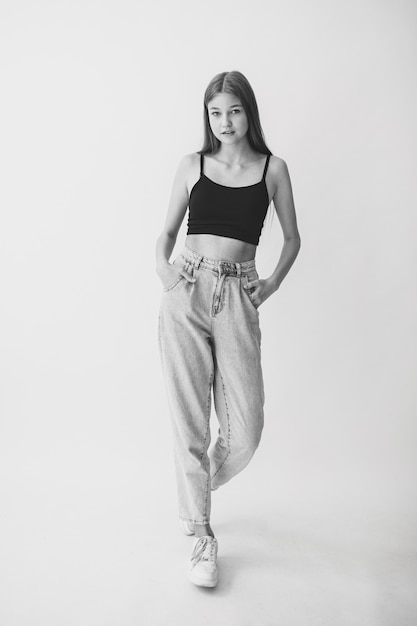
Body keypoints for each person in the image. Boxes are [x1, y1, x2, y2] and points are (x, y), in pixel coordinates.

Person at [156, 70, 301, 588]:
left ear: (249, 112)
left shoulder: (273, 169)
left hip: (240, 295)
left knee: (246, 430)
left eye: (234, 111)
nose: (225, 122)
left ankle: (191, 494)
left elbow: (292, 239)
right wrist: (164, 270)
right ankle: (201, 533)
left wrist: (273, 284)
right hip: (187, 289)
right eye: (215, 112)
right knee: (189, 421)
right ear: (207, 116)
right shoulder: (192, 165)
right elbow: (166, 233)